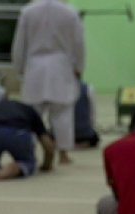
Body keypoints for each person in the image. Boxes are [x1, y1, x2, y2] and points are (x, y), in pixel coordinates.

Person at [12, 0, 84, 165]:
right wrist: (78, 67)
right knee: (62, 113)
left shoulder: (27, 11)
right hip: (61, 65)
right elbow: (78, 43)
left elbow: (19, 43)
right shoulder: (70, 12)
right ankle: (63, 154)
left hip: (34, 65)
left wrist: (19, 67)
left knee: (32, 114)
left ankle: (29, 151)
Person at [49, 83, 100, 149]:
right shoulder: (88, 89)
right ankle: (80, 144)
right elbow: (93, 113)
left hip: (60, 135)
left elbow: (51, 115)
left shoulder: (56, 89)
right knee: (94, 137)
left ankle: (62, 144)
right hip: (82, 135)